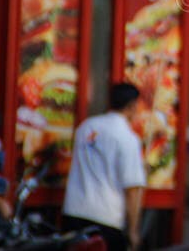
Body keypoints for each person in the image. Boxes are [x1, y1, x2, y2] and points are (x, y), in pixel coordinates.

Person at [62, 82, 146, 250]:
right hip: (106, 219)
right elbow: (132, 190)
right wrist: (133, 231)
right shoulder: (128, 138)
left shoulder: (86, 127)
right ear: (132, 106)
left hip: (73, 213)